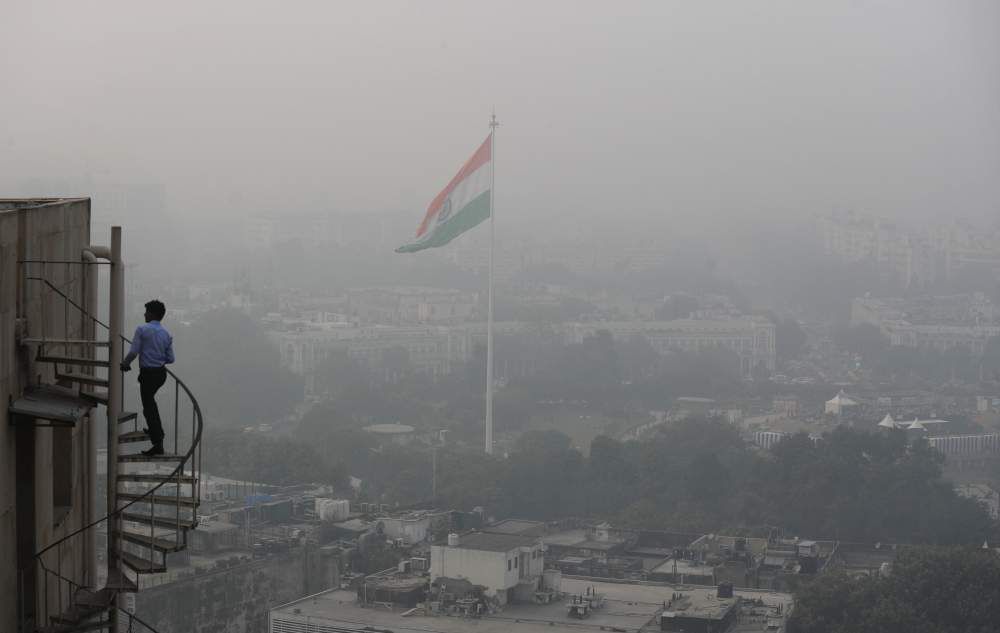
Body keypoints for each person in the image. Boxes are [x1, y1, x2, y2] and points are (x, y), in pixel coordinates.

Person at [120, 299, 175, 456]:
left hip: (148, 374)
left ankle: (158, 443)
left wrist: (125, 363)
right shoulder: (166, 334)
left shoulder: (142, 329)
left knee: (149, 407)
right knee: (150, 404)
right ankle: (155, 431)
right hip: (160, 375)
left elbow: (134, 351)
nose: (144, 314)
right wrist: (157, 357)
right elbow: (171, 359)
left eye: (146, 311)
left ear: (151, 314)